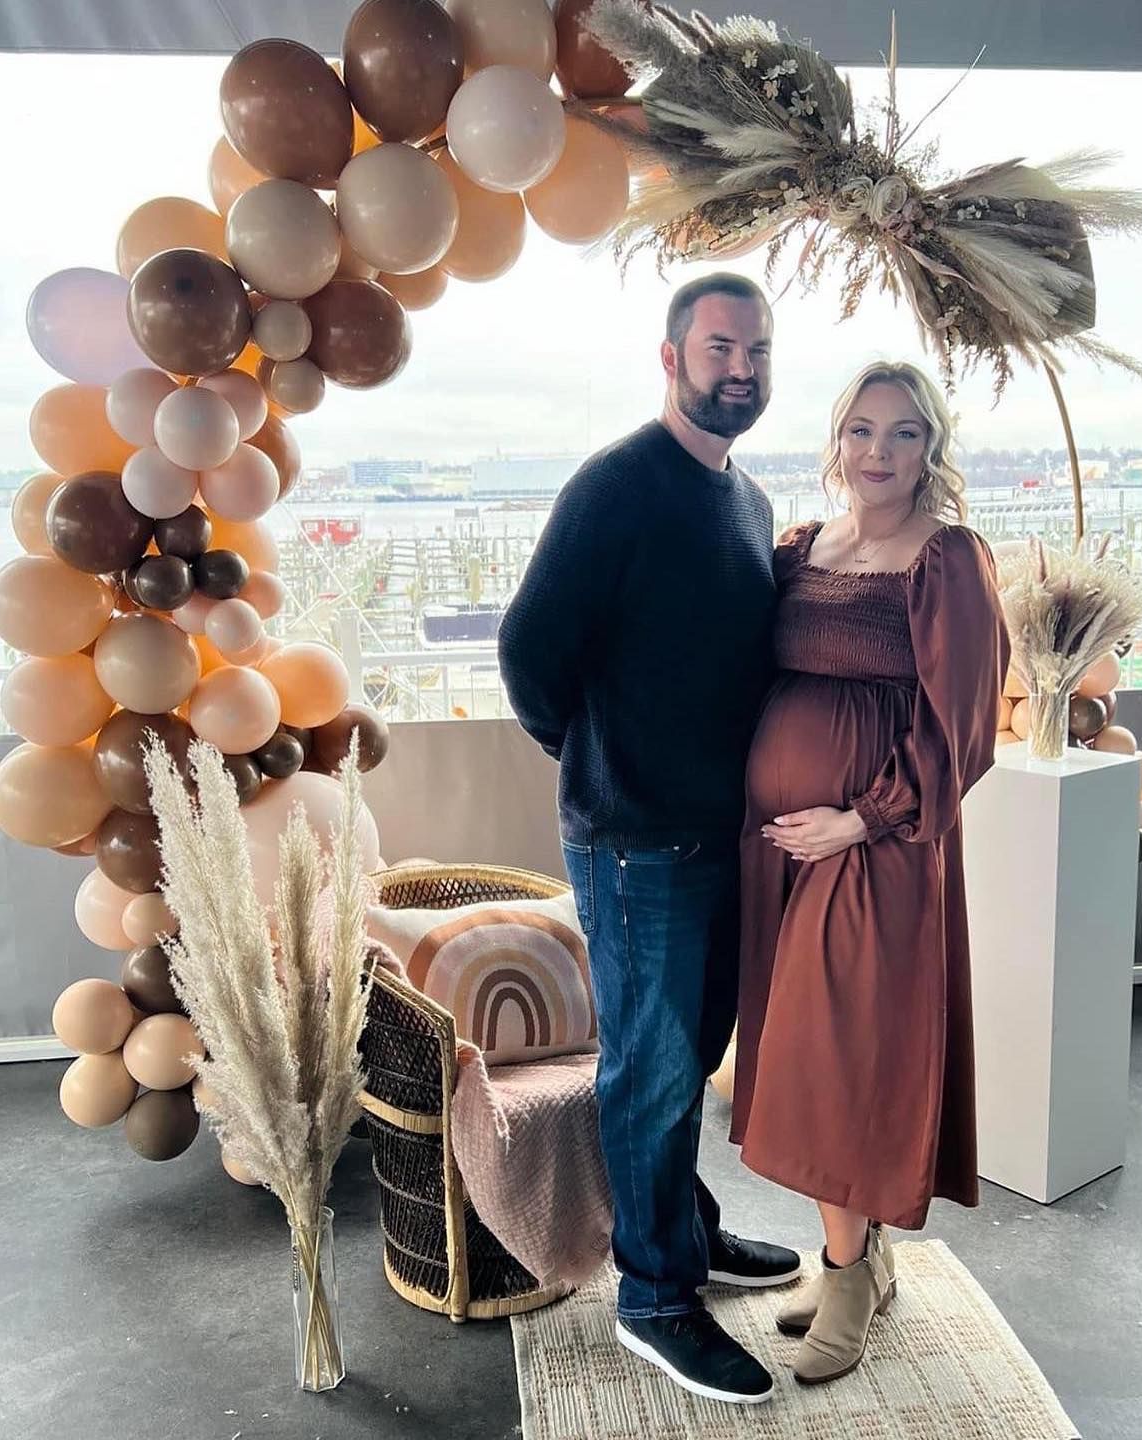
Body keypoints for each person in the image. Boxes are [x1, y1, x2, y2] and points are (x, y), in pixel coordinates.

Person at [499, 273, 800, 1406]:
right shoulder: (616, 488)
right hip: (635, 843)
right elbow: (531, 653)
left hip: (723, 839)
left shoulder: (748, 503)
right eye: (720, 347)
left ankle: (689, 1230)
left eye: (758, 351)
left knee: (691, 1060)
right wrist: (598, 766)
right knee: (653, 1069)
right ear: (670, 358)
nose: (741, 369)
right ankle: (654, 1299)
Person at [733, 360, 1010, 1386]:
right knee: (800, 1054)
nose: (879, 453)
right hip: (781, 842)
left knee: (839, 1058)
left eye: (901, 434)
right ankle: (856, 1259)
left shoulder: (948, 561)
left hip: (876, 848)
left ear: (931, 445)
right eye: (861, 431)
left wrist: (861, 816)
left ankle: (849, 1278)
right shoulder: (806, 547)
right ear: (836, 441)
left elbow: (965, 724)